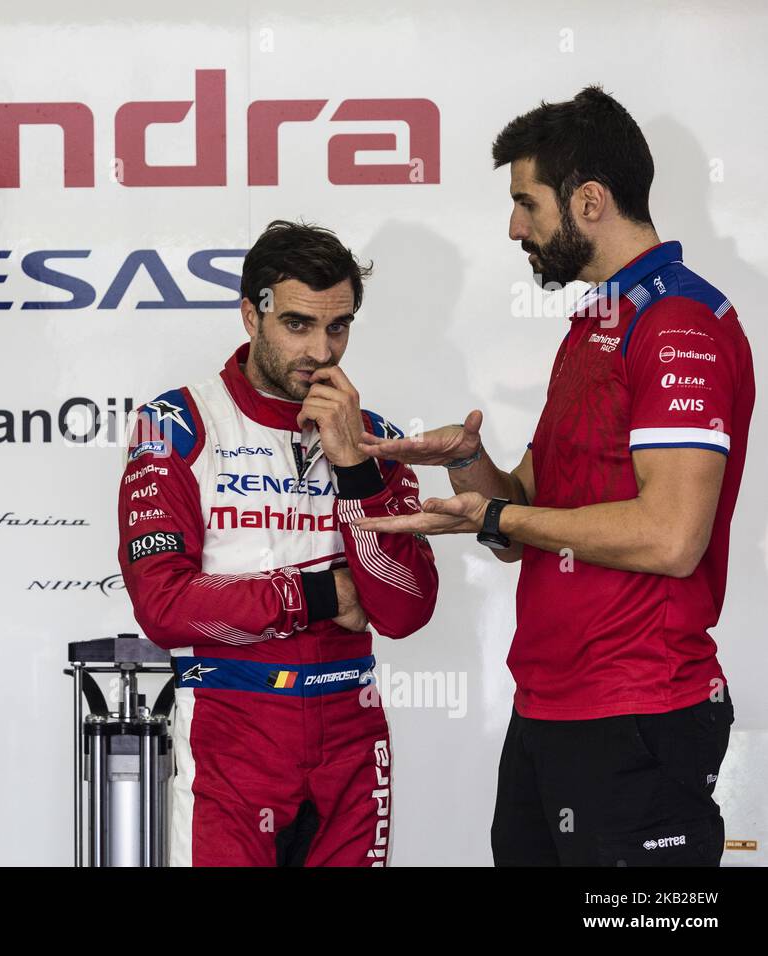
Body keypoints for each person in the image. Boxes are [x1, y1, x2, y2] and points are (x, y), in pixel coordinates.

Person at [354, 87, 753, 866]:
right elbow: (525, 514)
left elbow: (672, 537)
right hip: (550, 712)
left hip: (639, 714)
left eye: (526, 203)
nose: (514, 227)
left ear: (591, 201)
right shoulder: (596, 325)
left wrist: (497, 520)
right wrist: (469, 469)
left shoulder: (679, 324)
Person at [117, 220, 438, 866]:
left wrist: (353, 468)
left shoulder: (377, 438)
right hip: (232, 736)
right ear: (250, 315)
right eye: (298, 325)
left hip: (352, 737)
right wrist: (323, 592)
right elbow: (164, 605)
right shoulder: (176, 424)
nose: (321, 351)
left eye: (338, 327)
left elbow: (405, 610)